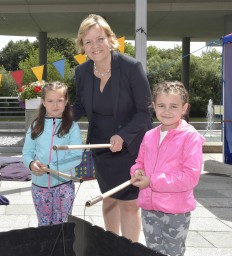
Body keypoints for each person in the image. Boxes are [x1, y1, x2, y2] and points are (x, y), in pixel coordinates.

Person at [73, 14, 152, 242]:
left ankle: (129, 250)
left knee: (129, 204)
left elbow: (144, 111)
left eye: (99, 39)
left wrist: (123, 135)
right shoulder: (82, 72)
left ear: (110, 39)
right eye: (88, 42)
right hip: (102, 149)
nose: (94, 46)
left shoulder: (131, 67)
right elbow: (79, 105)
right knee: (108, 199)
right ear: (83, 46)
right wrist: (59, 117)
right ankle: (111, 248)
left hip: (130, 149)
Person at [130, 81, 205, 256]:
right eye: (161, 105)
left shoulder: (191, 137)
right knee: (153, 251)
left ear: (184, 108)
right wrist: (137, 171)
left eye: (173, 106)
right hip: (149, 208)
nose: (167, 111)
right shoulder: (149, 135)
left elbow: (190, 176)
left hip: (176, 210)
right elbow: (139, 161)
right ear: (154, 106)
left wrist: (152, 181)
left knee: (173, 252)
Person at [23, 81, 82, 226]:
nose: (55, 105)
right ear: (43, 102)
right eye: (50, 101)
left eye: (60, 101)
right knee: (44, 225)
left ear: (66, 101)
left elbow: (76, 156)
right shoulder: (35, 125)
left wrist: (51, 167)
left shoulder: (73, 127)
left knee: (62, 226)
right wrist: (31, 164)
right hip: (39, 186)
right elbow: (27, 152)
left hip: (64, 185)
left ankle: (62, 250)